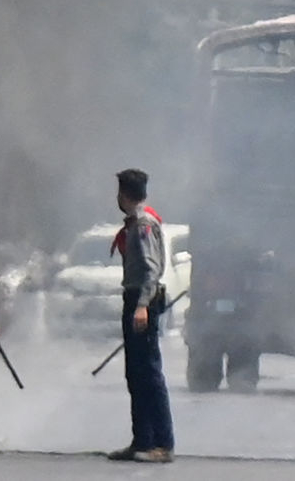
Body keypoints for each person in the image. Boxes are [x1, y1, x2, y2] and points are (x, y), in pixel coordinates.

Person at [107, 169, 175, 463]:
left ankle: (162, 443)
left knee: (148, 373)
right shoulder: (137, 222)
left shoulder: (143, 224)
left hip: (141, 299)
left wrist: (142, 306)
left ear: (124, 195)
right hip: (135, 298)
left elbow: (151, 269)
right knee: (135, 373)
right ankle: (142, 440)